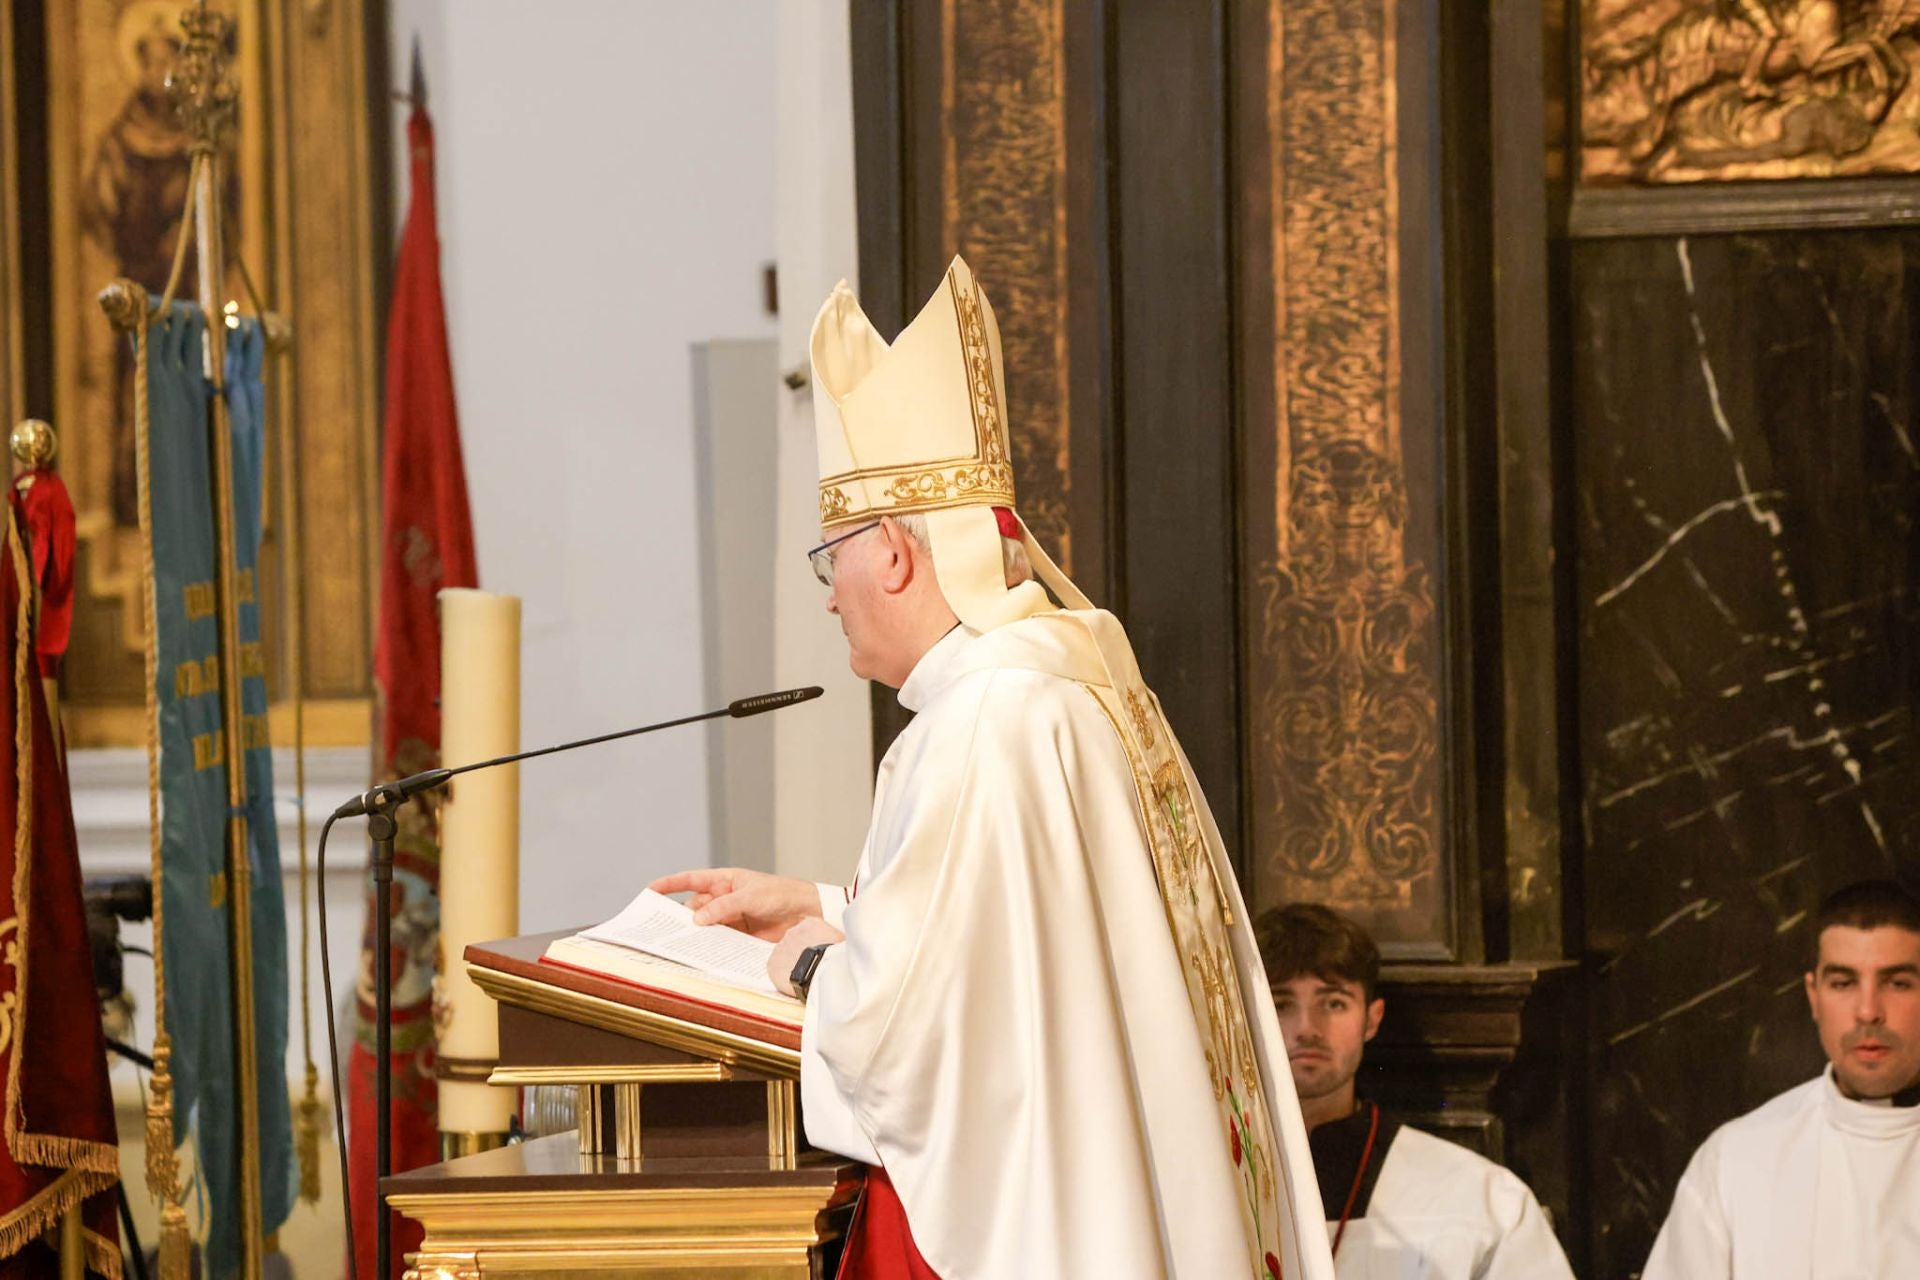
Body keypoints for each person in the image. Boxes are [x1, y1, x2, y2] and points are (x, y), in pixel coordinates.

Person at [651, 257, 1335, 1279]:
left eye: (828, 557)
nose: (830, 594)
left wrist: (808, 961)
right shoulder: (1059, 689)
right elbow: (1019, 940)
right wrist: (817, 896)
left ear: (892, 549)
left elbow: (908, 1030)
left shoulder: (980, 723)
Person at [1256, 904, 1574, 1279]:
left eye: (1334, 1003)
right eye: (1280, 1004)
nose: (1307, 1028)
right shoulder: (1201, 1182)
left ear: (1371, 1020)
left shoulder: (1481, 1199)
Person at [1643, 878, 1920, 1279]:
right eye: (1843, 983)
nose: (1868, 1011)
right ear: (1814, 996)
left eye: (1897, 984)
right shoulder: (1736, 1161)